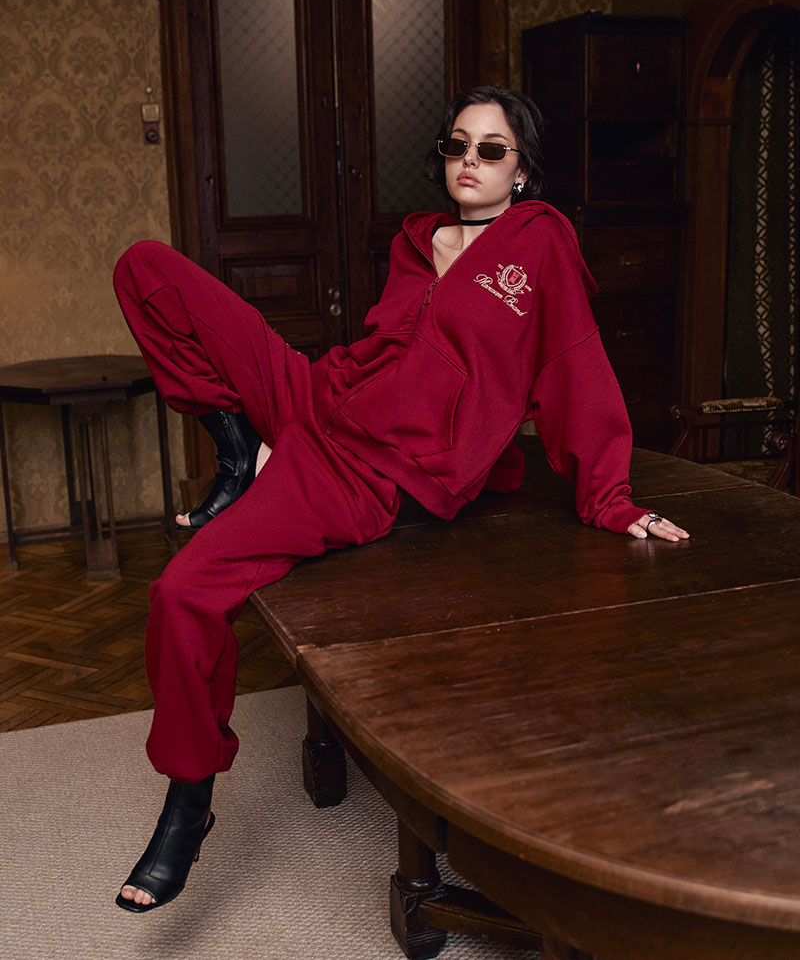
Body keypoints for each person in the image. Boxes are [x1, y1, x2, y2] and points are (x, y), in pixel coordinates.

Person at [112, 85, 689, 912]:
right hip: (315, 396)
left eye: (492, 149)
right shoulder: (415, 241)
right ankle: (236, 451)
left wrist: (612, 496)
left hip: (360, 470)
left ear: (523, 171)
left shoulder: (540, 247)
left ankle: (187, 799)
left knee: (181, 591)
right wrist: (271, 428)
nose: (470, 161)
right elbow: (386, 355)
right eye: (458, 145)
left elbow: (576, 369)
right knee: (146, 268)